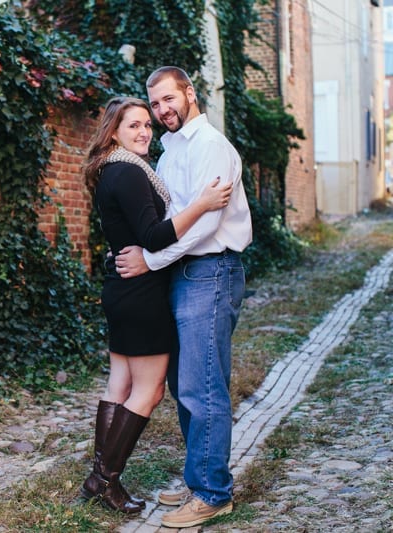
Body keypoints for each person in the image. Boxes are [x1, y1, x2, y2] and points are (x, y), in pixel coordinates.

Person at [114, 66, 253, 528]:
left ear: (190, 94)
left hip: (210, 271)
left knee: (202, 386)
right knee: (184, 386)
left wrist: (150, 261)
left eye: (169, 99)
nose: (162, 110)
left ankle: (213, 492)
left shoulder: (210, 146)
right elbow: (173, 218)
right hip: (184, 274)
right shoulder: (171, 149)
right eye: (155, 104)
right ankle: (200, 482)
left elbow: (207, 224)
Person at [80, 96, 232, 514]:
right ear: (114, 132)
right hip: (142, 292)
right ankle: (104, 479)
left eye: (147, 124)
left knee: (120, 385)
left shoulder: (113, 169)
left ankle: (100, 477)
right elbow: (153, 236)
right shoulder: (128, 172)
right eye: (134, 126)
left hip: (122, 287)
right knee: (146, 391)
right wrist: (202, 204)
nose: (145, 132)